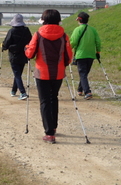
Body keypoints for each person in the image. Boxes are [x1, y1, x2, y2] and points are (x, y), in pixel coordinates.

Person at [25, 9, 73, 144]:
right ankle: (54, 127)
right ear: (58, 19)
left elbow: (30, 54)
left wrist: (26, 48)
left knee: (45, 101)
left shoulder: (38, 34)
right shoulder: (64, 35)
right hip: (58, 73)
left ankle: (49, 133)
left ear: (44, 19)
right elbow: (69, 57)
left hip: (42, 73)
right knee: (54, 98)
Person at [70, 12, 101, 100]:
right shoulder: (93, 30)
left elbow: (73, 42)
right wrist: (98, 52)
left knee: (83, 74)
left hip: (81, 55)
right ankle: (80, 89)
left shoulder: (77, 29)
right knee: (84, 73)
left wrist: (68, 49)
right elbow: (98, 42)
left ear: (79, 20)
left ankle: (87, 92)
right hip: (91, 55)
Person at [2, 14, 32, 100]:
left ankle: (23, 92)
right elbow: (30, 41)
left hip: (14, 55)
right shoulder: (26, 30)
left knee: (17, 74)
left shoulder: (12, 31)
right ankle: (13, 90)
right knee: (18, 74)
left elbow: (6, 43)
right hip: (24, 55)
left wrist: (3, 47)